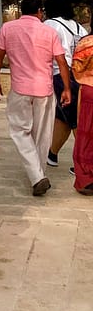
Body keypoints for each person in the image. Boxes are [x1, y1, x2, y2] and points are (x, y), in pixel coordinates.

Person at [0, 0, 72, 196]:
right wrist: (67, 88)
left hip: (20, 88)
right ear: (39, 12)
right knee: (43, 133)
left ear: (21, 11)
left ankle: (37, 177)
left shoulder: (8, 29)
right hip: (44, 89)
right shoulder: (49, 31)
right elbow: (61, 61)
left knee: (20, 131)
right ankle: (39, 174)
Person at [43, 0, 87, 169]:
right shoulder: (79, 27)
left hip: (61, 77)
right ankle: (52, 154)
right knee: (64, 118)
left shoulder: (50, 25)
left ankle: (83, 163)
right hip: (80, 76)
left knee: (74, 120)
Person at [71, 31, 93, 194]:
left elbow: (76, 68)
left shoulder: (86, 43)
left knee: (86, 134)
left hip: (89, 90)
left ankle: (86, 177)